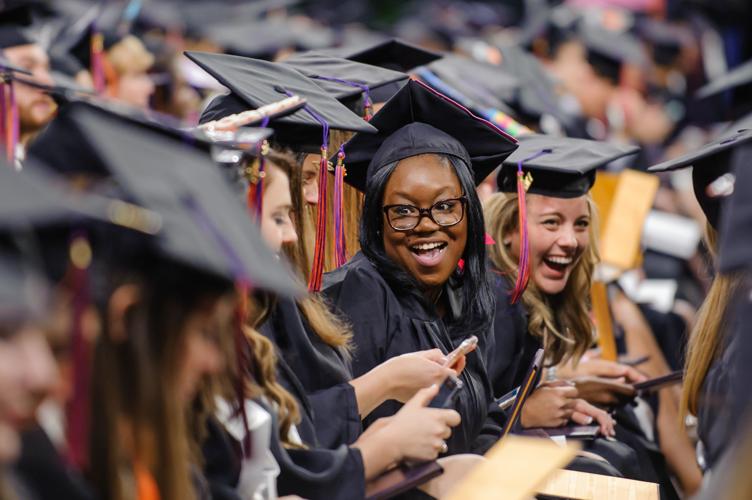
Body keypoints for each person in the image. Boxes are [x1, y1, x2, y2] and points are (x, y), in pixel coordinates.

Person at [324, 79, 518, 455]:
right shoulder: (360, 294)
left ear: (470, 215)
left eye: (446, 206)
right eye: (404, 211)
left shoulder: (464, 295)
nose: (427, 224)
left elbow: (483, 417)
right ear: (377, 222)